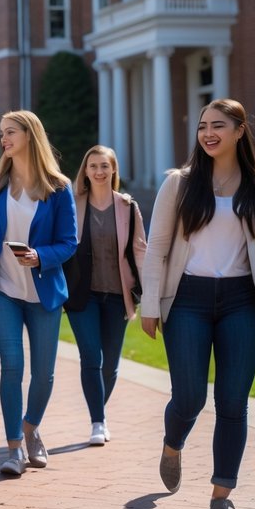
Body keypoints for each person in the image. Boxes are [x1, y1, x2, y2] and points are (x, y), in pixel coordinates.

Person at [140, 99, 255, 509]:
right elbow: (158, 248)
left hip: (243, 303)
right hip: (187, 299)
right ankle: (173, 443)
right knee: (189, 397)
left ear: (239, 131)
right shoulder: (180, 184)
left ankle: (221, 497)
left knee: (232, 403)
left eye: (218, 125)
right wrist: (151, 305)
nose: (208, 133)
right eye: (203, 125)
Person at [0, 110, 77, 477]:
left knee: (44, 373)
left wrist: (40, 256)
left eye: (10, 132)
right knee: (12, 364)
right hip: (3, 290)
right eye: (1, 133)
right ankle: (14, 446)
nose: (4, 139)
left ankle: (31, 428)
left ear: (30, 135)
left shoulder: (59, 188)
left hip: (44, 292)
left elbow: (68, 242)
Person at [65, 146, 145, 446]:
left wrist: (149, 294)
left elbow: (140, 251)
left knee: (110, 365)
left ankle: (98, 410)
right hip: (82, 295)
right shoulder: (72, 204)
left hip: (117, 294)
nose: (99, 172)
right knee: (92, 357)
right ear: (85, 171)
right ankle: (98, 421)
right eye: (93, 166)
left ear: (114, 171)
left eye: (105, 166)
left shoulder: (128, 207)